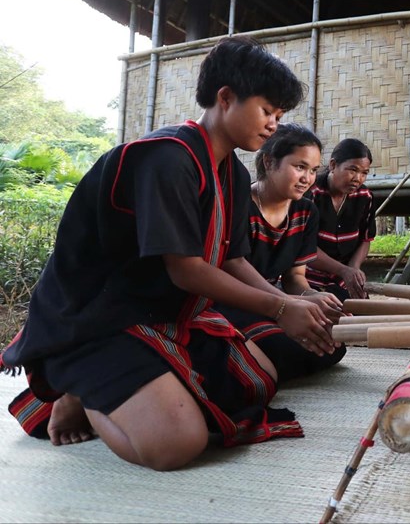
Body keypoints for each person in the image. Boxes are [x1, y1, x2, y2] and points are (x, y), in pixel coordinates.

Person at [0, 36, 344, 470]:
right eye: (267, 111)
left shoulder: (233, 175)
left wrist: (292, 303)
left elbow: (233, 261)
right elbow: (186, 270)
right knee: (176, 445)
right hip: (96, 318)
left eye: (279, 115)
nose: (274, 124)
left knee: (258, 381)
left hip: (160, 313)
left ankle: (121, 388)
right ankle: (78, 385)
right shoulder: (167, 158)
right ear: (225, 98)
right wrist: (278, 308)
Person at [215, 123, 347, 382]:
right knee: (287, 348)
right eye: (299, 167)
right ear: (268, 161)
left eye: (312, 171)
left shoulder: (306, 212)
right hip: (232, 301)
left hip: (274, 301)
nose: (307, 178)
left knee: (333, 341)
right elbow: (233, 264)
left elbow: (294, 279)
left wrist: (313, 299)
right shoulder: (239, 203)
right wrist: (286, 305)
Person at [305, 138, 376, 300]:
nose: (358, 178)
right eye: (352, 170)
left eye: (364, 173)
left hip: (343, 278)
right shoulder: (311, 194)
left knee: (361, 315)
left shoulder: (365, 197)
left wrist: (353, 270)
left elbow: (366, 238)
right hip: (307, 278)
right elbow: (305, 246)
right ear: (332, 165)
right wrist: (344, 271)